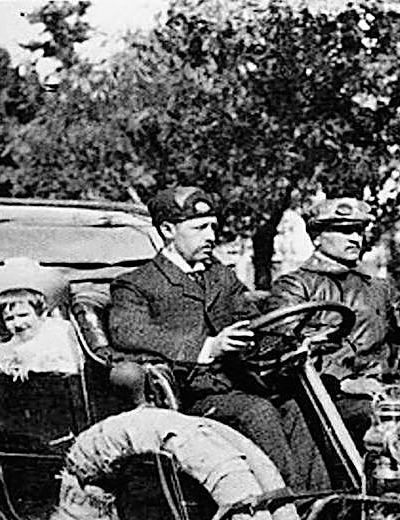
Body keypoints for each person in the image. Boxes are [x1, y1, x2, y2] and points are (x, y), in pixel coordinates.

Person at [108, 186, 328, 491]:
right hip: (187, 399)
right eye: (199, 228)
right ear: (168, 230)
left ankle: (320, 503)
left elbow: (251, 320)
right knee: (257, 412)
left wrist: (290, 342)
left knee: (297, 407)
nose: (211, 236)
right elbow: (128, 331)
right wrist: (209, 347)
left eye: (213, 226)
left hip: (243, 385)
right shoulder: (136, 284)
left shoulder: (220, 276)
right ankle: (288, 506)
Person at [270, 197, 400, 438]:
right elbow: (281, 351)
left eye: (358, 230)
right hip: (331, 400)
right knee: (390, 426)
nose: (355, 238)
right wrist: (343, 382)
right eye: (343, 231)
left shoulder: (378, 289)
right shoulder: (294, 287)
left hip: (388, 394)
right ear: (316, 237)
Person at [0, 257, 82, 379]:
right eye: (9, 319)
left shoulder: (57, 333)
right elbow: (3, 362)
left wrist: (34, 368)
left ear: (42, 313)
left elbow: (67, 366)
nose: (18, 323)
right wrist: (11, 367)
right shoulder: (12, 346)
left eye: (23, 315)